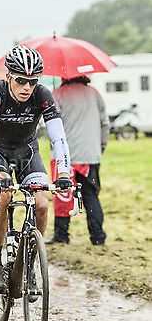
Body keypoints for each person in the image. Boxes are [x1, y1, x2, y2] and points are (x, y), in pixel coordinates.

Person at [0, 45, 73, 292]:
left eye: (32, 81)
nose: (27, 88)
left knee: (41, 202)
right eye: (20, 81)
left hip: (26, 151)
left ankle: (30, 264)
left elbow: (58, 137)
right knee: (4, 195)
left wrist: (63, 172)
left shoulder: (43, 95)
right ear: (8, 76)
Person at [47, 76, 109, 245]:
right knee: (91, 195)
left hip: (64, 157)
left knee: (63, 195)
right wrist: (100, 147)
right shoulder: (94, 93)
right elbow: (105, 123)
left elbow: (49, 124)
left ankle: (61, 235)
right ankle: (97, 237)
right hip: (90, 155)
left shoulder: (57, 94)